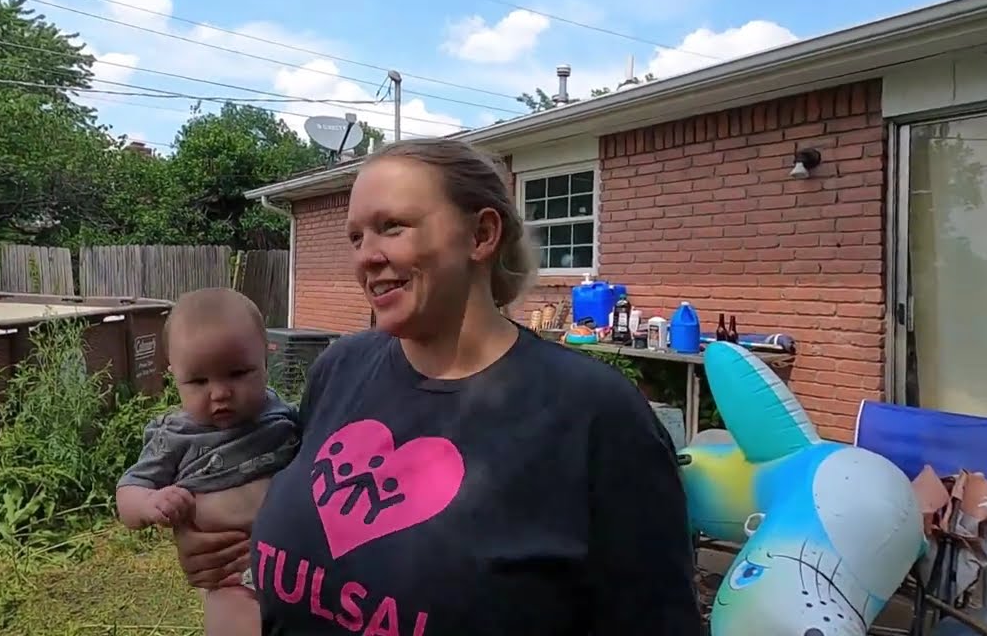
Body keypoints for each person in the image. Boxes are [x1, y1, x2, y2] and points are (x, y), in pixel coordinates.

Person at [173, 139, 701, 635]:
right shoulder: (343, 367)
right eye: (357, 237)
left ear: (481, 235)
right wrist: (216, 542)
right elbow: (285, 514)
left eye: (392, 227)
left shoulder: (596, 416)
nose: (367, 256)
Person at [115, 287, 300, 636]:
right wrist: (151, 502)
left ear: (265, 359)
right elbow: (128, 491)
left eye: (238, 373)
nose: (219, 393)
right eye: (199, 381)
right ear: (173, 376)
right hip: (230, 576)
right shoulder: (174, 436)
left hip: (298, 564)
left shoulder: (283, 414)